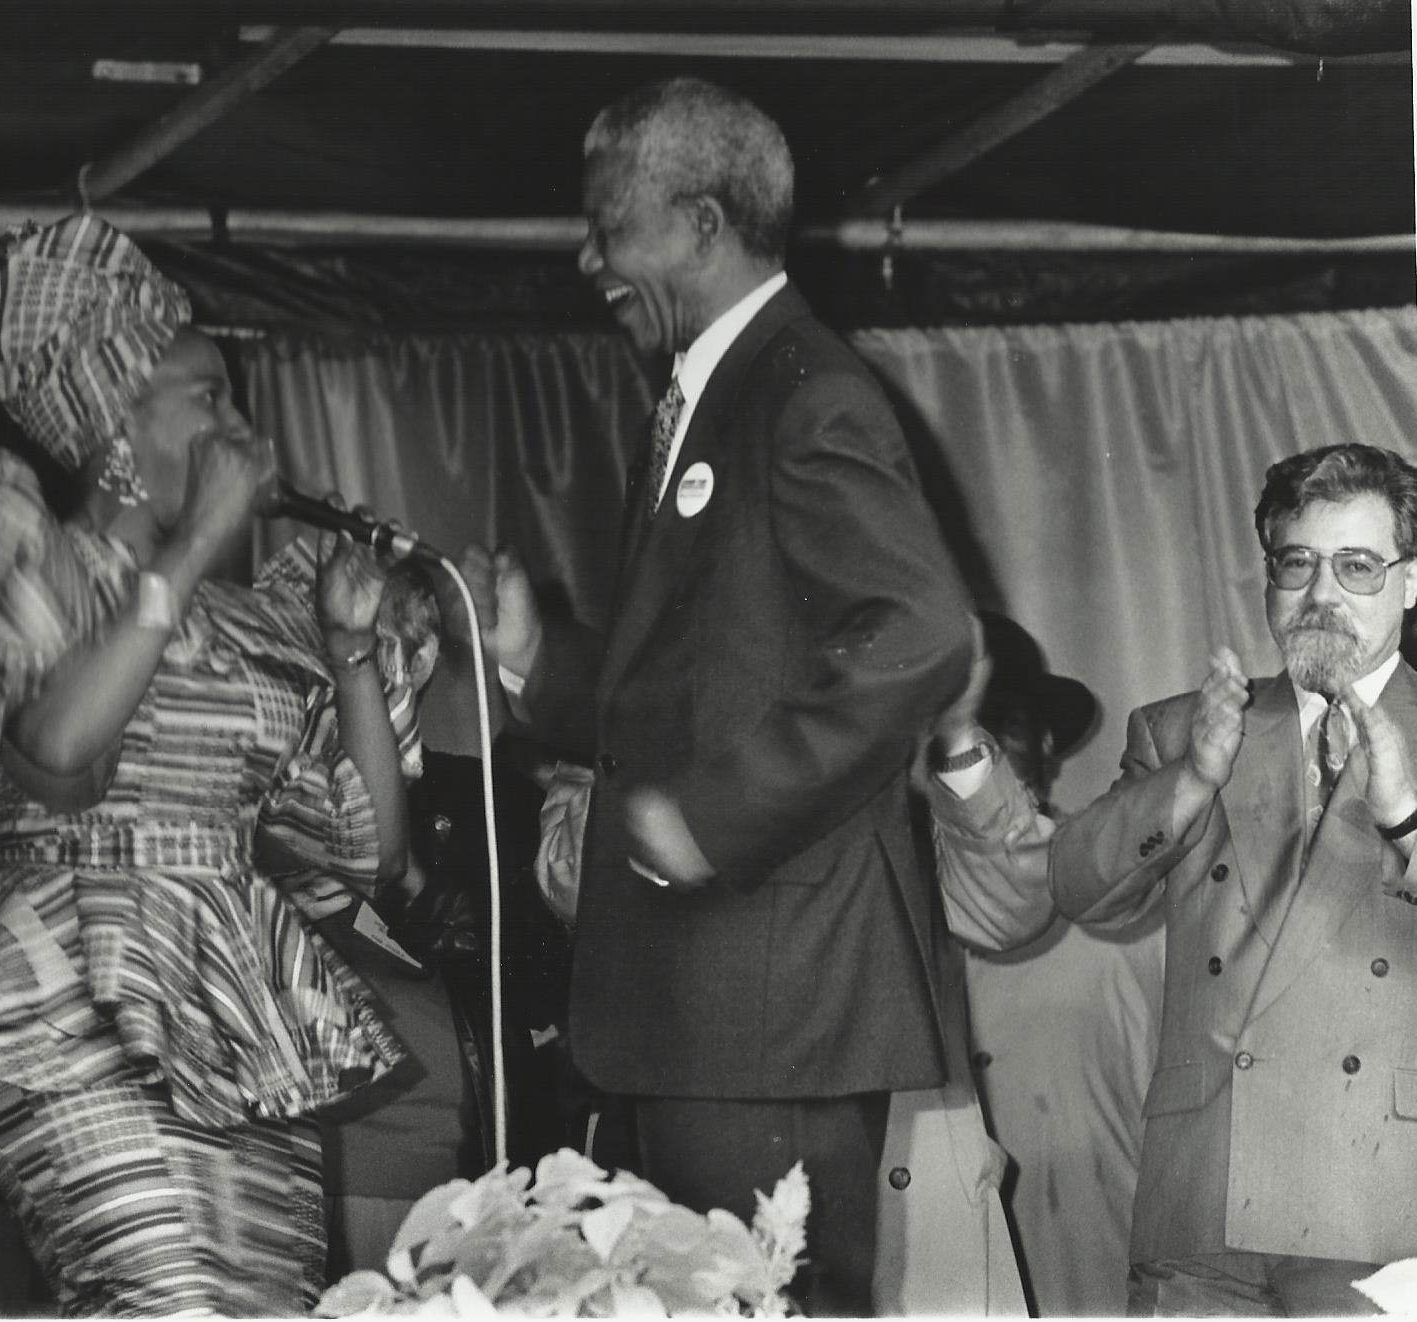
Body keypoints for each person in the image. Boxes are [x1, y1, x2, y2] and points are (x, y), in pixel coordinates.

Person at [462, 77, 975, 1312]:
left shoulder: (802, 391)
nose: (589, 257)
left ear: (699, 222)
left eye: (609, 224)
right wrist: (540, 657)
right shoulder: (716, 396)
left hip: (772, 999)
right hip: (710, 1008)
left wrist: (711, 816)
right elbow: (698, 690)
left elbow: (921, 635)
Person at [0, 215, 422, 1316]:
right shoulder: (17, 544)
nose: (239, 425)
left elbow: (368, 848)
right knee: (163, 1300)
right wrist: (192, 542)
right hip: (66, 997)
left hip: (231, 1002)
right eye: (208, 395)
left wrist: (349, 654)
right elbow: (56, 758)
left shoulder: (246, 621)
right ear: (118, 421)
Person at [1044, 443, 1417, 1315]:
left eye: (1357, 567)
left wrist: (1406, 817)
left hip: (1383, 1206)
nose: (1321, 595)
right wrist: (1188, 783)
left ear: (1411, 582)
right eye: (1297, 563)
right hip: (1201, 1204)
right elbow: (1074, 888)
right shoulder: (1184, 729)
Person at [926, 613, 1165, 1317]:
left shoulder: (1123, 881)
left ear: (1047, 739)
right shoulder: (888, 899)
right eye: (951, 726)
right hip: (950, 1255)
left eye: (1000, 721)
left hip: (1105, 1241)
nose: (980, 744)